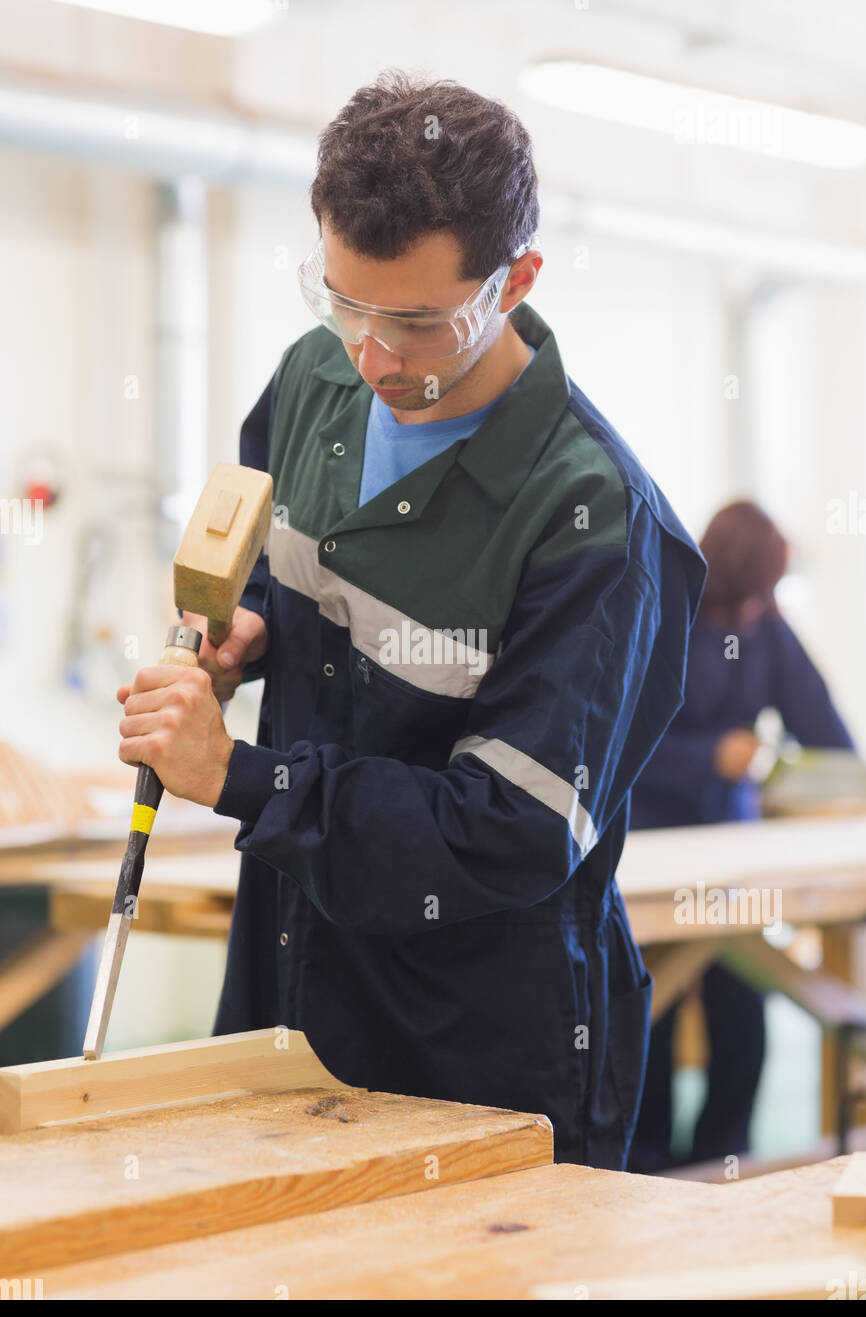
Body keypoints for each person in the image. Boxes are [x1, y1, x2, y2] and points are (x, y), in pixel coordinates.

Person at [116, 71, 706, 1169]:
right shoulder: (310, 387)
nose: (372, 357)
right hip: (286, 995)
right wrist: (249, 630)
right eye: (342, 302)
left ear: (515, 278)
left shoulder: (595, 523)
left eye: (417, 321)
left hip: (478, 1055)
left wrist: (239, 779)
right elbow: (267, 568)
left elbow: (503, 832)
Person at [628, 499, 855, 1173]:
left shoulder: (767, 629)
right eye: (748, 597)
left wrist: (834, 783)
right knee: (650, 1015)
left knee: (742, 1012)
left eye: (766, 598)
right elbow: (618, 745)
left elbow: (827, 734)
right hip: (648, 844)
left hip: (734, 855)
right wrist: (709, 756)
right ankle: (646, 1164)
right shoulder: (661, 616)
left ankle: (725, 1157)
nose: (755, 612)